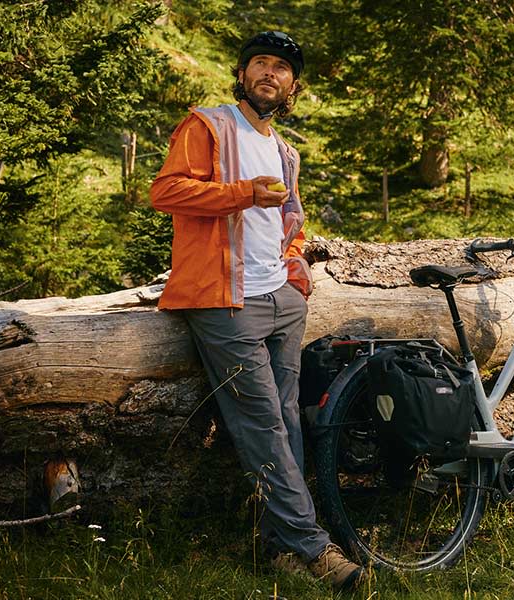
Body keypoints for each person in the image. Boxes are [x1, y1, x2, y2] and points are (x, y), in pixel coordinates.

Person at [147, 31, 365, 591]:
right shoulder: (210, 126)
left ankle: (281, 549)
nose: (270, 73)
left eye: (282, 68)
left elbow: (289, 223)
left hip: (282, 300)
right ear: (242, 74)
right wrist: (240, 193)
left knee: (286, 419)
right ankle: (314, 548)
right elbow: (167, 192)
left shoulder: (285, 150)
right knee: (263, 421)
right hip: (226, 300)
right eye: (260, 64)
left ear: (293, 85)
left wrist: (296, 269)